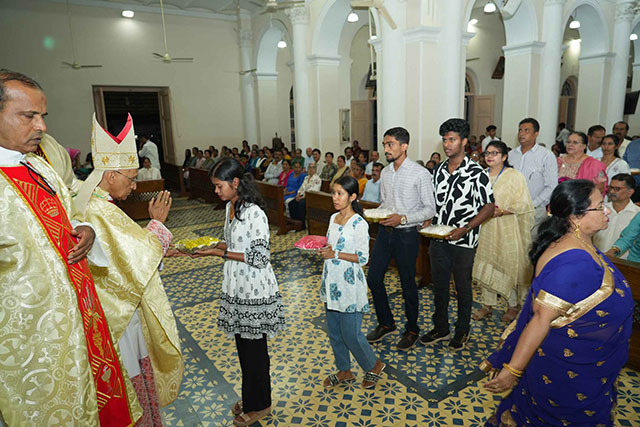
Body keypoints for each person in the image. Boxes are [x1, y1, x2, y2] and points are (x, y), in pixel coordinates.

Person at [0, 69, 138, 425]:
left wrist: (86, 229)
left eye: (42, 115)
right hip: (34, 338)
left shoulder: (40, 167)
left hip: (82, 315)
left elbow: (71, 212)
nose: (42, 126)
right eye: (29, 116)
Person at [482, 180, 633, 427]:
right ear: (575, 217)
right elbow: (540, 319)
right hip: (569, 373)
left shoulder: (579, 243)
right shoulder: (571, 262)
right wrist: (513, 370)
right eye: (599, 206)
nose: (606, 210)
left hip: (586, 362)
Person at [77, 113, 184, 423]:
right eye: (131, 178)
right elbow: (135, 262)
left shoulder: (94, 204)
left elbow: (124, 253)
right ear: (111, 175)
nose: (135, 186)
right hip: (118, 319)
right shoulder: (99, 210)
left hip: (116, 311)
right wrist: (157, 224)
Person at [194, 158, 286, 427]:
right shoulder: (230, 207)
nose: (216, 191)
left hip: (254, 288)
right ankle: (251, 397)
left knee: (255, 351)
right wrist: (212, 246)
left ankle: (261, 403)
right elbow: (232, 242)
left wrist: (219, 253)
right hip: (236, 285)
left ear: (235, 182)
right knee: (244, 348)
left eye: (219, 186)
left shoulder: (255, 213)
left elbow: (260, 256)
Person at [421, 118, 494, 351]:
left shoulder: (477, 172)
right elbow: (435, 202)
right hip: (439, 238)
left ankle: (462, 330)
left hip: (464, 239)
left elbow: (489, 207)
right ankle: (441, 328)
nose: (447, 144)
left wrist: (467, 228)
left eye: (452, 140)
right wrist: (429, 219)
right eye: (444, 140)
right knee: (440, 286)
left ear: (464, 142)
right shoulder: (439, 170)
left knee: (462, 287)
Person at [365, 127, 435, 351]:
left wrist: (403, 218)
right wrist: (375, 214)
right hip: (385, 233)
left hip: (406, 235)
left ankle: (412, 329)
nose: (386, 149)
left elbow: (429, 209)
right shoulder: (386, 173)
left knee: (407, 283)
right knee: (374, 278)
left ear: (404, 146)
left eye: (390, 144)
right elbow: (386, 204)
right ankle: (386, 323)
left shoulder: (420, 173)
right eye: (384, 145)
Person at [318, 176, 386, 389]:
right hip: (331, 282)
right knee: (335, 332)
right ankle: (344, 370)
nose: (335, 198)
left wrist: (335, 254)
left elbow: (363, 258)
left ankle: (373, 365)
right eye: (334, 193)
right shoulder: (333, 218)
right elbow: (331, 245)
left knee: (351, 334)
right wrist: (324, 249)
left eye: (340, 194)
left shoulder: (359, 224)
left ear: (353, 196)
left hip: (349, 285)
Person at [472, 141, 534, 323]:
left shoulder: (515, 176)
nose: (489, 156)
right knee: (487, 263)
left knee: (508, 265)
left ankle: (513, 305)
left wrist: (502, 211)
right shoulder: (481, 175)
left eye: (495, 153)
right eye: (487, 153)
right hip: (486, 227)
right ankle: (487, 305)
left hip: (507, 227)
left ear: (504, 156)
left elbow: (524, 204)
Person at [508, 118, 558, 234]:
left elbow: (551, 186)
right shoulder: (511, 155)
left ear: (536, 133)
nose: (522, 133)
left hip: (535, 211)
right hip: (510, 210)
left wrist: (533, 204)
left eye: (526, 130)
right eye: (520, 130)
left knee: (531, 243)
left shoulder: (546, 155)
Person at [594, 174, 639, 257]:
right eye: (610, 188)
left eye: (617, 189)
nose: (611, 192)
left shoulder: (636, 214)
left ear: (630, 192)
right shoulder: (599, 210)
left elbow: (627, 240)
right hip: (597, 258)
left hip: (624, 262)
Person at [288, 162, 321, 226]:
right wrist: (298, 194)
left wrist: (302, 197)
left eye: (313, 168)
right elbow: (301, 187)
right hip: (302, 196)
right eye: (309, 167)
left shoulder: (317, 179)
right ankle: (295, 222)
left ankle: (302, 224)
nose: (311, 169)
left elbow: (313, 191)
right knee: (291, 203)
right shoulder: (306, 178)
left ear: (315, 169)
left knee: (301, 204)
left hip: (311, 198)